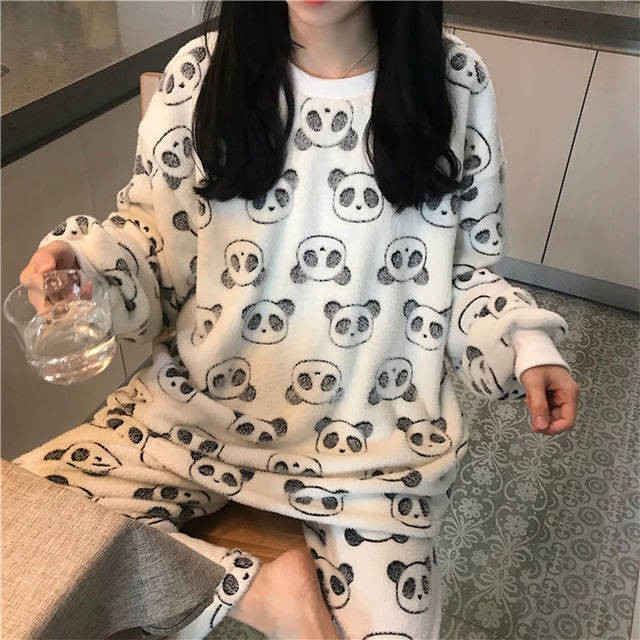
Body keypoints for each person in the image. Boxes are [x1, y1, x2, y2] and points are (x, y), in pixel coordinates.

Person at [14, 1, 580, 638]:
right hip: (191, 425)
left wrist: (525, 345)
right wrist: (85, 267)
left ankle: (233, 590)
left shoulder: (454, 82)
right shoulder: (199, 75)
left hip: (375, 457)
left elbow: (465, 274)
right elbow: (153, 243)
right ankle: (262, 593)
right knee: (25, 535)